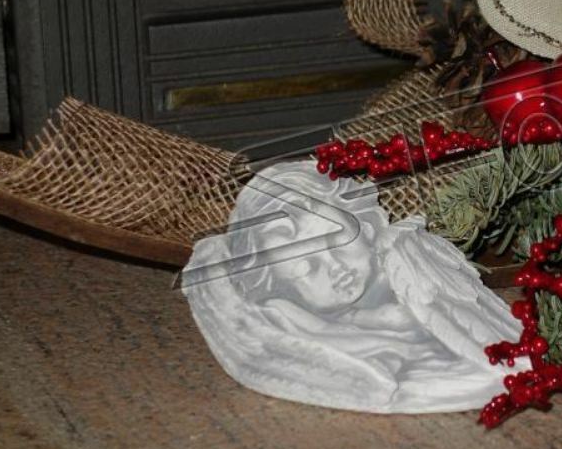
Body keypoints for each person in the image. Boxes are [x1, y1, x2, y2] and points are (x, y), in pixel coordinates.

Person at [181, 162, 524, 413]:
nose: (334, 267)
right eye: (305, 269)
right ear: (282, 287)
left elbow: (457, 326)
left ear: (366, 227)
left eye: (337, 242)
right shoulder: (284, 312)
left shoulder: (403, 259)